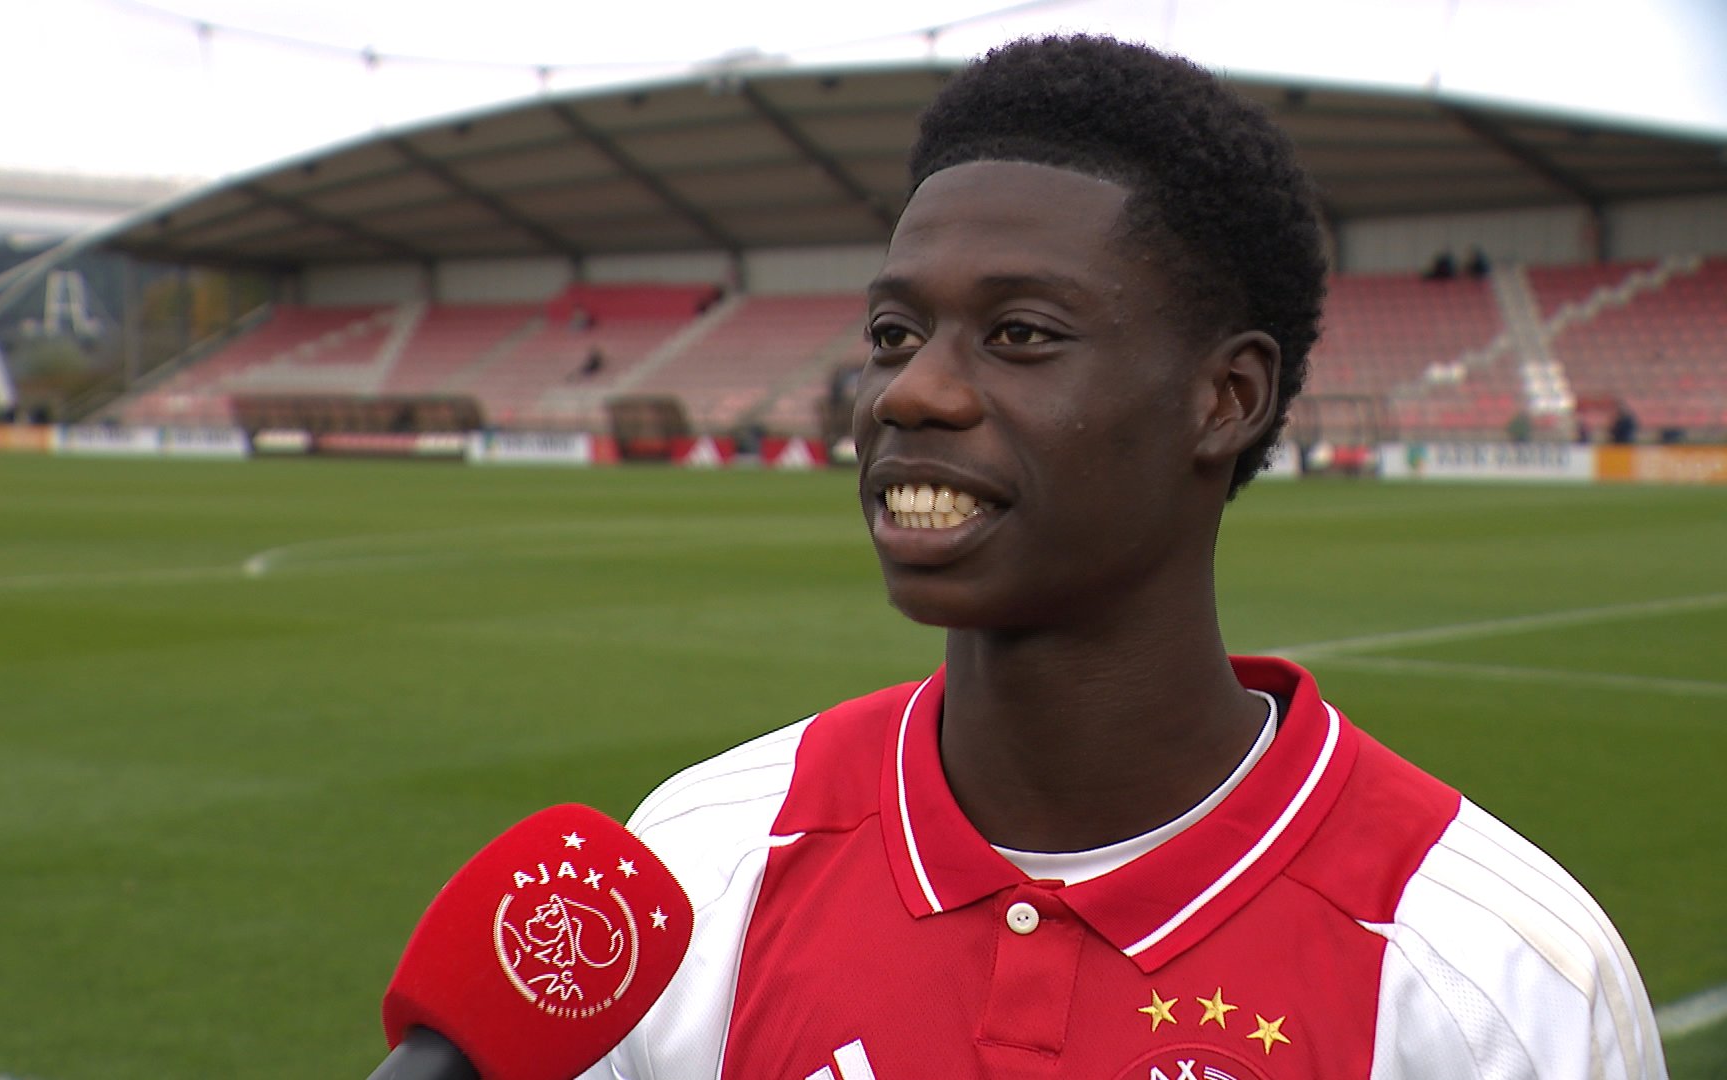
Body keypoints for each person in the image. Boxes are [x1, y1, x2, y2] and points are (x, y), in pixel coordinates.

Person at [583, 35, 1664, 1080]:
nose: (910, 392)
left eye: (1020, 334)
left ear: (1225, 398)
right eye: (893, 335)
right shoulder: (690, 875)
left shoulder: (1493, 983)